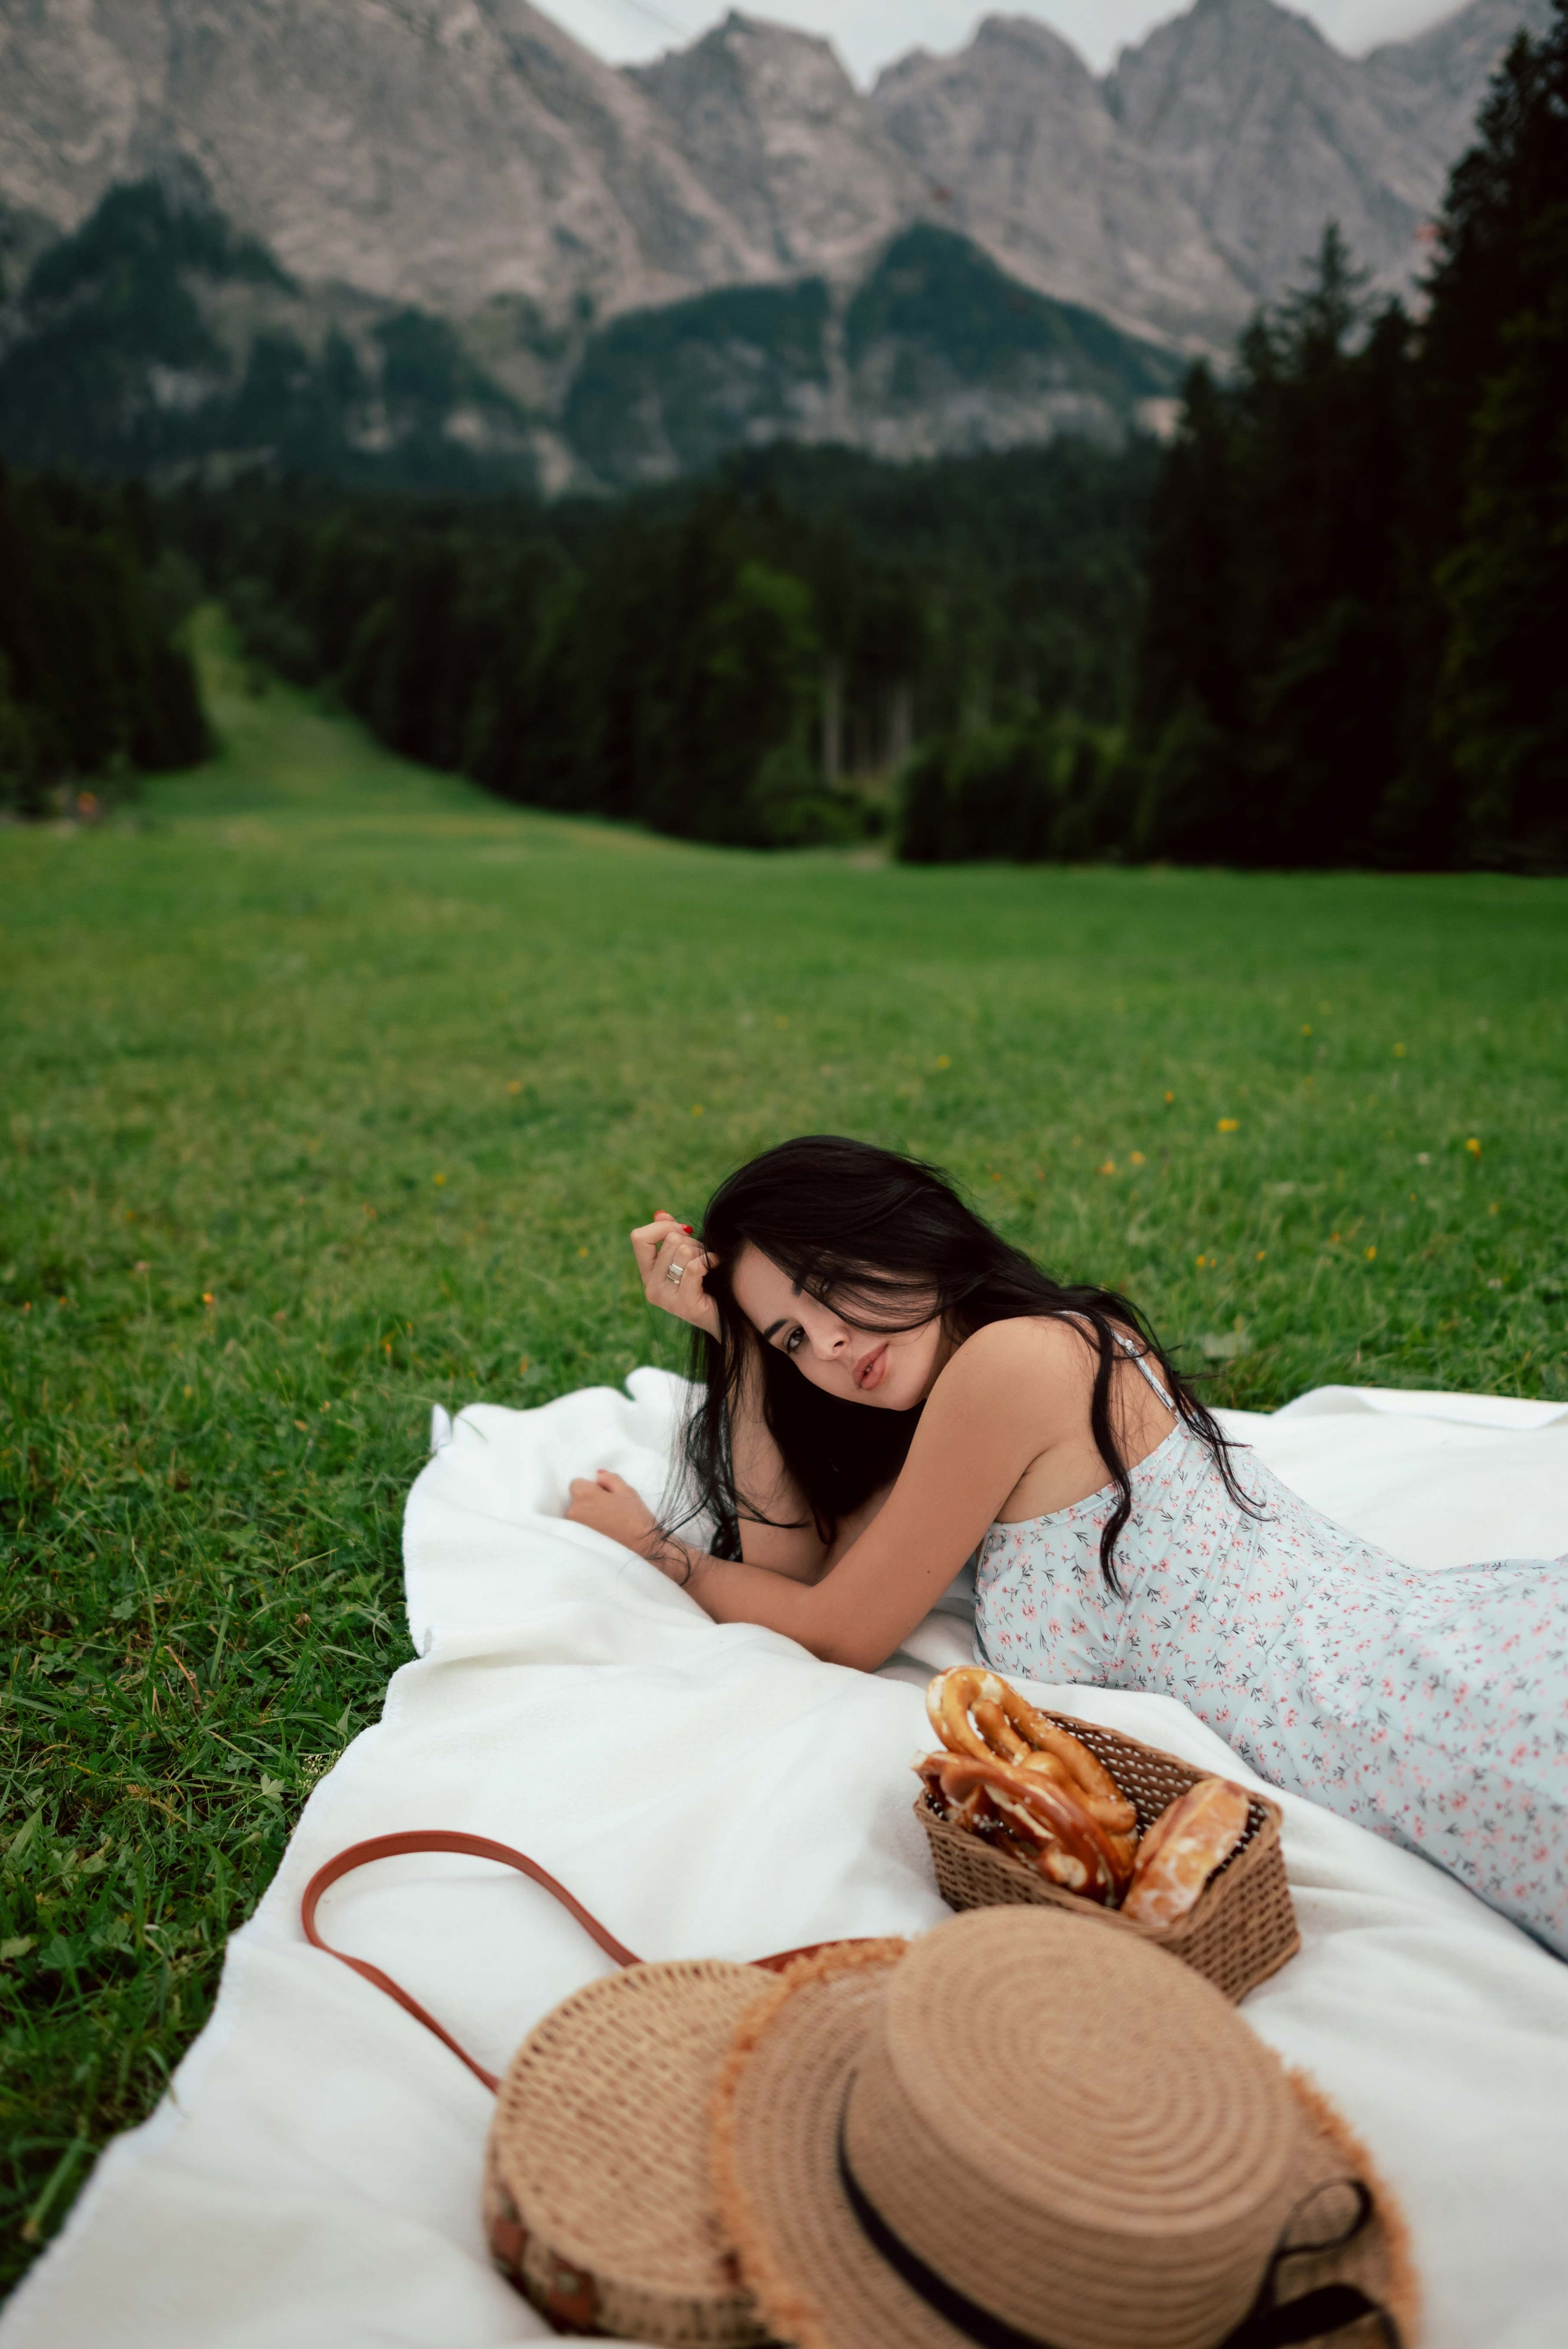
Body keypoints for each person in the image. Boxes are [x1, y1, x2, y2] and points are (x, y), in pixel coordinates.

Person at [567, 1134, 1568, 1955]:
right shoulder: (966, 1389)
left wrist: (660, 1553)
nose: (825, 1342)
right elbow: (792, 1575)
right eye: (791, 1336)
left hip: (1402, 1700)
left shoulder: (1010, 1366)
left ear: (906, 1233)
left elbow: (831, 1632)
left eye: (830, 1285)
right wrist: (738, 1344)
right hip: (1395, 1671)